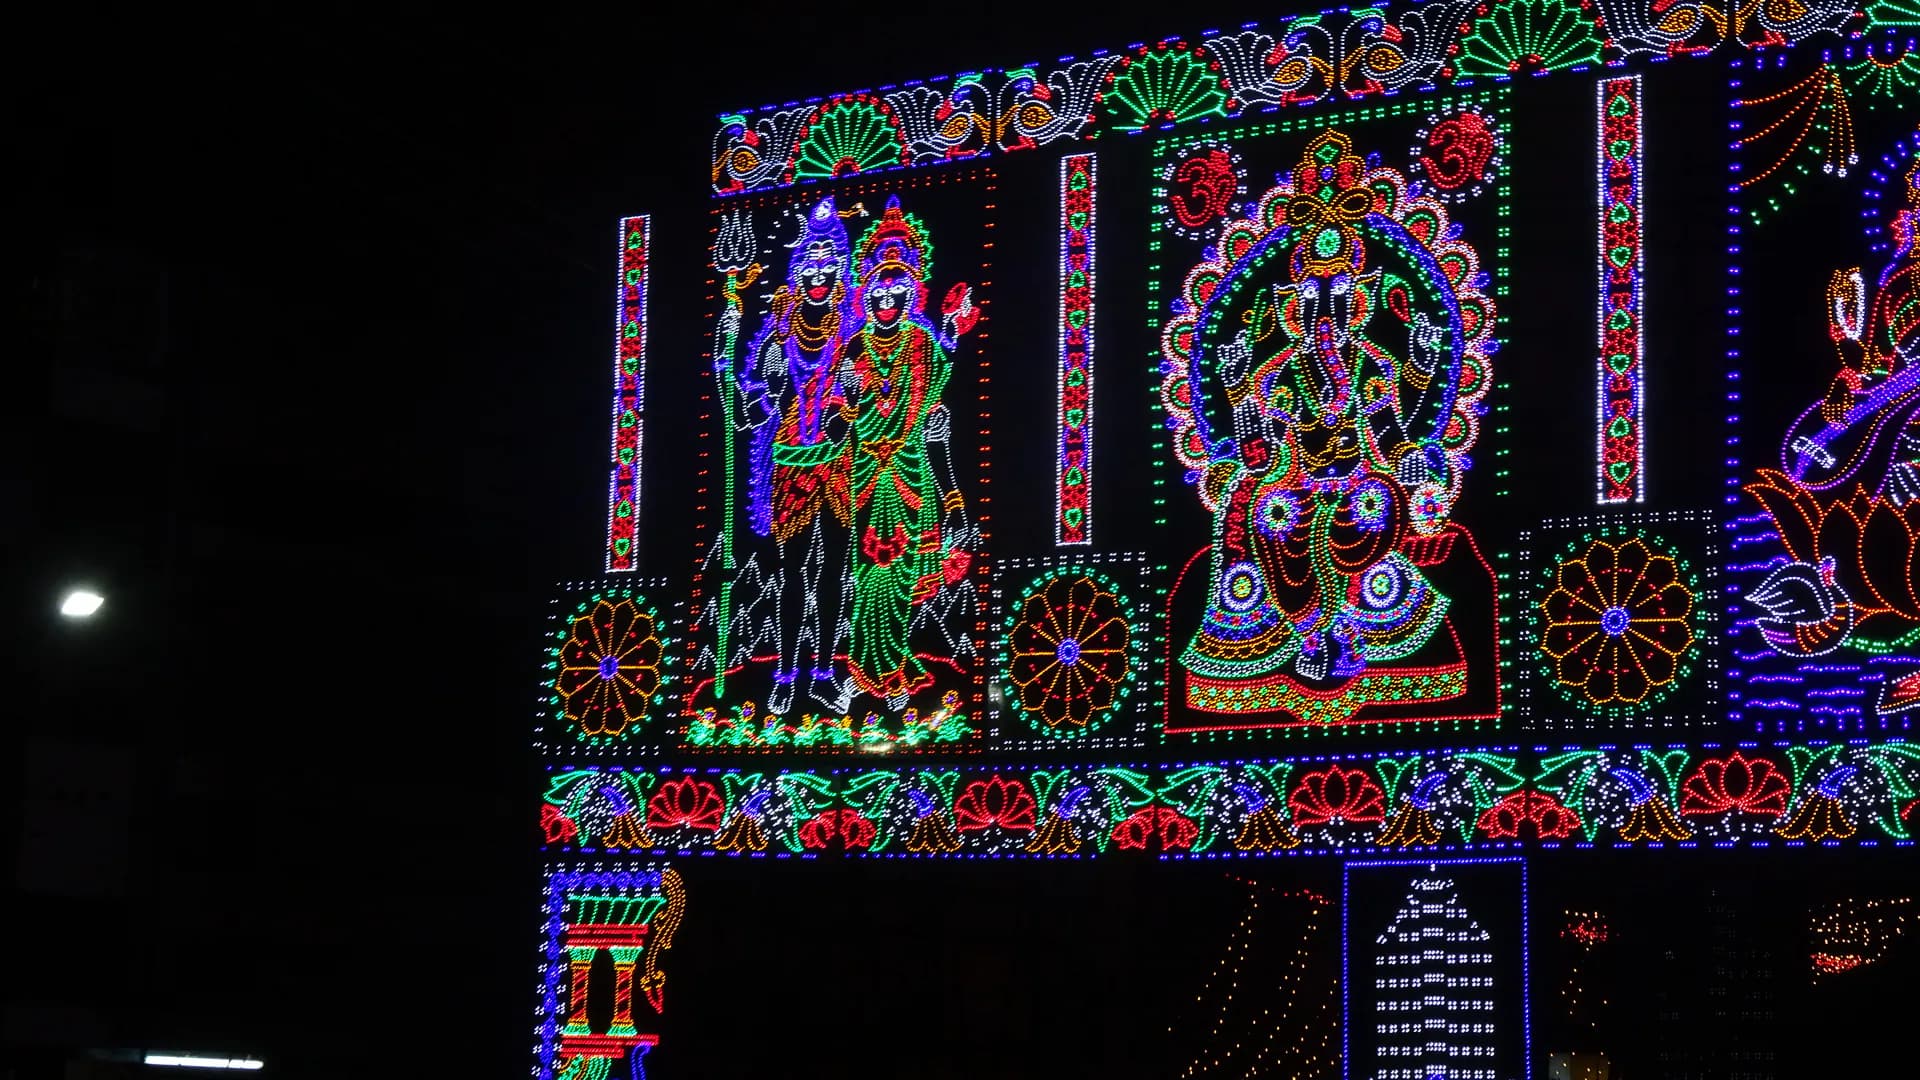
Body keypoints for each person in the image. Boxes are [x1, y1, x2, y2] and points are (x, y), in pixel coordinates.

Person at [837, 198, 970, 701]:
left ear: (912, 292)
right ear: (865, 293)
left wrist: (953, 332)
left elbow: (936, 389)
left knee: (904, 573)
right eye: (878, 287)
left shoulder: (921, 340)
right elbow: (843, 414)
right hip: (868, 472)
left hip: (911, 471)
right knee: (871, 577)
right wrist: (845, 401)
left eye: (898, 287)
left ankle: (890, 663)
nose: (887, 295)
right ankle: (868, 671)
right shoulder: (855, 347)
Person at [735, 198, 862, 713]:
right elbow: (758, 382)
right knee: (791, 571)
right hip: (790, 460)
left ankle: (825, 671)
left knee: (833, 567)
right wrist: (754, 398)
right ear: (799, 270)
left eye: (829, 266)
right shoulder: (782, 324)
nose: (819, 275)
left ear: (839, 274)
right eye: (810, 265)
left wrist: (846, 409)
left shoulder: (851, 321)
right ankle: (787, 673)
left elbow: (862, 379)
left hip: (835, 461)